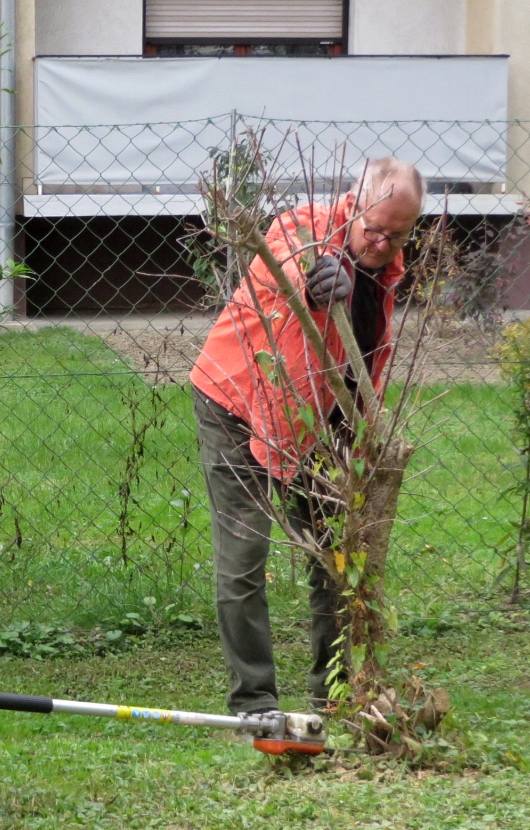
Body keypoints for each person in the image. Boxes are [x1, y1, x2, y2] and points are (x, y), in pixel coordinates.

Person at [188, 158, 424, 718]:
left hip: (329, 421)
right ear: (354, 201)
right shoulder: (300, 230)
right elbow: (293, 273)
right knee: (243, 557)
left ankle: (335, 693)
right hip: (239, 405)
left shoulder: (385, 254)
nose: (384, 243)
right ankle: (254, 701)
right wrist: (327, 278)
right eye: (375, 229)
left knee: (337, 559)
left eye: (399, 234)